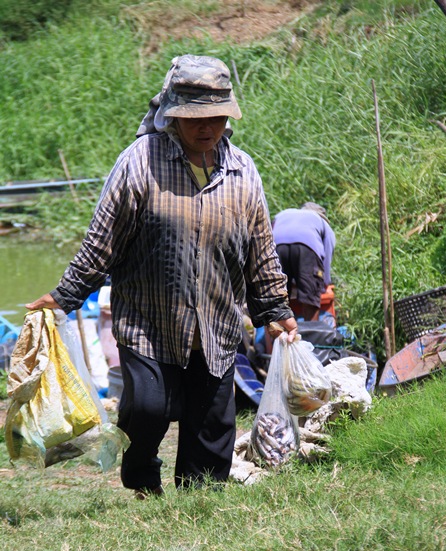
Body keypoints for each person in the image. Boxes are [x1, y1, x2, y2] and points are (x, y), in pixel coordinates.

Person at [26, 54, 297, 497]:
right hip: (149, 322)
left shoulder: (242, 171)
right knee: (149, 408)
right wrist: (66, 294)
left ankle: (200, 501)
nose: (205, 127)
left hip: (216, 323)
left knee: (212, 424)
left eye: (214, 117)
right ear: (171, 113)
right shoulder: (140, 162)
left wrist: (275, 309)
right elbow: (102, 240)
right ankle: (142, 479)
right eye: (194, 118)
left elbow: (260, 249)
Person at [272, 202, 336, 321]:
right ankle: (311, 336)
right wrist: (323, 283)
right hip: (308, 247)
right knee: (310, 299)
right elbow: (327, 254)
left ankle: (280, 338)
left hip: (277, 245)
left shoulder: (283, 215)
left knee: (278, 299)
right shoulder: (321, 221)